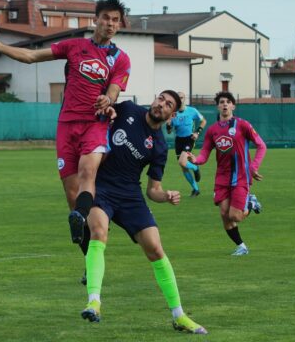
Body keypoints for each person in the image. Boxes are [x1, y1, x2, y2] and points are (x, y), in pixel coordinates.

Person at [0, 0, 131, 258]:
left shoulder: (121, 59)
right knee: (71, 193)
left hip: (95, 123)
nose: (110, 24)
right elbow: (32, 56)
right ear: (96, 19)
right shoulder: (74, 46)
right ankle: (87, 250)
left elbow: (114, 90)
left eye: (116, 20)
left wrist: (108, 99)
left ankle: (81, 214)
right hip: (67, 125)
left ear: (120, 24)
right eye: (106, 18)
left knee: (87, 171)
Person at [81, 90, 207, 335]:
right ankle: (94, 301)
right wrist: (107, 108)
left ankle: (179, 315)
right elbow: (104, 111)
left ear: (171, 115)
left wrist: (167, 195)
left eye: (168, 104)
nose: (161, 104)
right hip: (102, 187)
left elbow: (153, 190)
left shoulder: (159, 146)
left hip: (130, 196)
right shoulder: (128, 109)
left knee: (156, 248)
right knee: (98, 231)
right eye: (161, 98)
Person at [179, 91, 266, 256]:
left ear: (233, 105)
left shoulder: (242, 125)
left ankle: (251, 203)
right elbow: (205, 154)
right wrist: (195, 159)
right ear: (218, 107)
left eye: (228, 102)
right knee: (224, 215)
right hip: (222, 178)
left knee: (235, 216)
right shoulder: (212, 130)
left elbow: (261, 145)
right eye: (221, 102)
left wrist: (253, 167)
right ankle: (241, 246)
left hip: (241, 176)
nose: (225, 104)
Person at [166, 92, 207, 197]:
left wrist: (197, 132)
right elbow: (169, 131)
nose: (180, 99)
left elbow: (203, 121)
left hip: (189, 138)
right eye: (177, 98)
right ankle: (195, 189)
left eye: (181, 97)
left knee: (182, 162)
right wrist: (169, 125)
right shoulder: (173, 114)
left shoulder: (192, 111)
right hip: (178, 140)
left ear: (184, 99)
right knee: (183, 167)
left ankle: (195, 168)